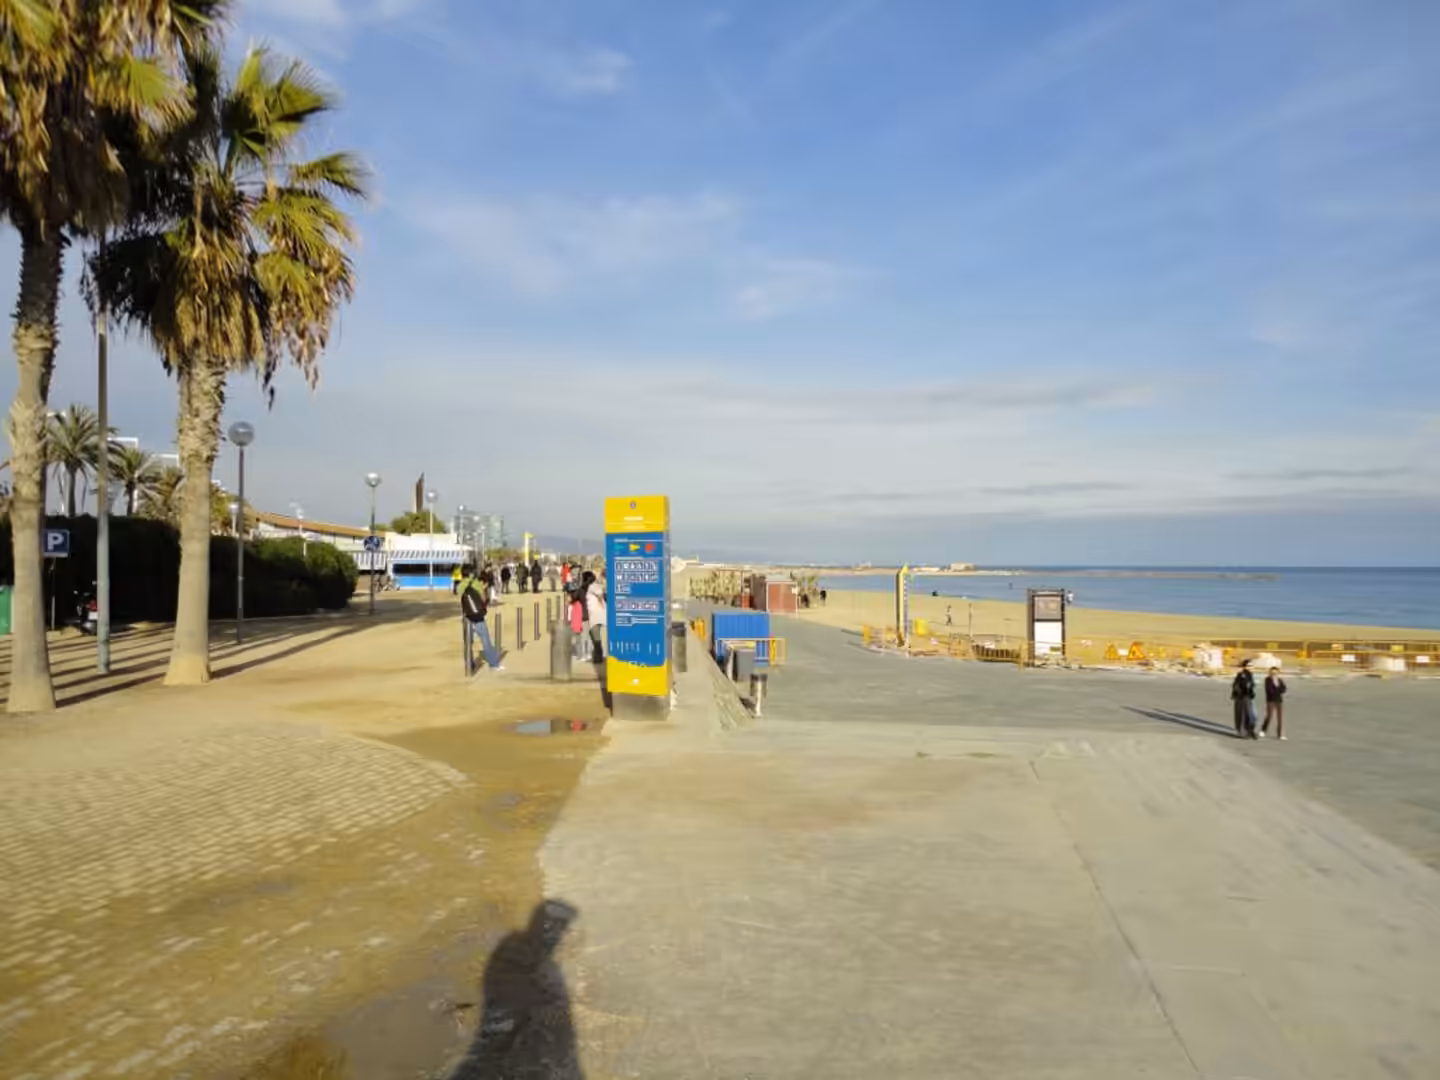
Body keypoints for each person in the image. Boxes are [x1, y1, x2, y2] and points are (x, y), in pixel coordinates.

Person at [460, 570, 503, 672]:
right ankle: (493, 664)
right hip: (478, 618)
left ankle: (469, 666)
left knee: (468, 644)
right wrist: (484, 592)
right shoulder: (478, 586)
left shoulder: (461, 585)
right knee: (486, 641)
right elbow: (483, 601)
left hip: (467, 617)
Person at [1231, 659, 1258, 739]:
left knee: (1253, 715)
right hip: (1242, 697)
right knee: (1243, 715)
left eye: (1252, 665)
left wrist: (1250, 688)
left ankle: (1250, 730)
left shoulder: (1250, 674)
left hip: (1248, 697)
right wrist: (1247, 687)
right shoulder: (1242, 675)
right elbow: (1238, 685)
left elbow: (1250, 686)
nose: (1251, 667)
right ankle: (1243, 732)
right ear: (1245, 667)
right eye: (1249, 666)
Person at [583, 570, 606, 662]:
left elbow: (600, 595)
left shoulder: (592, 586)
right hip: (596, 613)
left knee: (595, 635)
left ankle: (598, 657)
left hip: (596, 614)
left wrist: (601, 604)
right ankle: (598, 655)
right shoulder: (593, 586)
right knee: (593, 634)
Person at [1262, 667, 1288, 740]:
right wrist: (1277, 688)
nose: (1274, 674)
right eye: (1272, 673)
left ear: (1278, 673)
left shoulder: (1279, 680)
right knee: (1269, 716)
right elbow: (1269, 690)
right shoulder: (1267, 680)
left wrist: (1278, 687)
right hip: (1270, 700)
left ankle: (1280, 734)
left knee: (1280, 718)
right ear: (1270, 673)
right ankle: (1263, 730)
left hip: (1279, 701)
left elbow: (1284, 689)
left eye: (1275, 673)